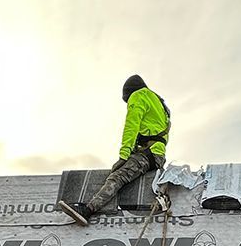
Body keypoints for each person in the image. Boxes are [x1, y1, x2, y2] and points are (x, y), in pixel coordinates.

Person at [59, 75, 170, 226]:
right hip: (157, 154)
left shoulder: (138, 96)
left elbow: (131, 126)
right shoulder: (159, 103)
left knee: (117, 177)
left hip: (148, 153)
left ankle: (88, 210)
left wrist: (124, 156)